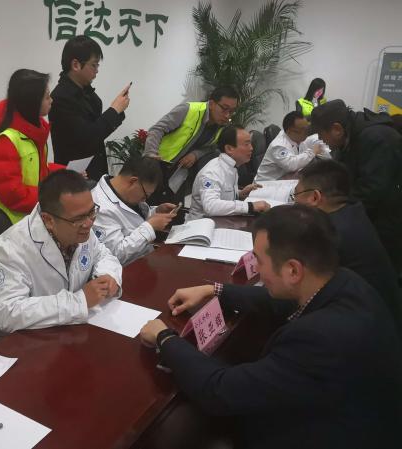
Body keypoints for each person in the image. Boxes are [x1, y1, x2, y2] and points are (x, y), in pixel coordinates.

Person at [140, 205, 402, 449]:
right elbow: (283, 301)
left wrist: (165, 337)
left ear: (293, 270)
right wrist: (215, 290)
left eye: (259, 260)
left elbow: (219, 391)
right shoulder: (344, 280)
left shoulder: (319, 339)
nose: (258, 270)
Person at [0, 170, 122, 345]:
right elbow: (8, 314)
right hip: (18, 344)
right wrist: (79, 301)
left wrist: (107, 275)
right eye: (79, 218)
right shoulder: (9, 249)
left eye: (92, 212)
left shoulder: (81, 227)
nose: (89, 223)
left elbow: (103, 254)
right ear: (48, 220)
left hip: (67, 332)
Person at [292, 159, 402, 329]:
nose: (294, 202)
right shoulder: (352, 211)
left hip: (370, 327)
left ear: (315, 197)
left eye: (296, 195)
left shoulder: (330, 235)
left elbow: (295, 287)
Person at [311, 99, 402, 272]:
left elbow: (372, 190)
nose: (321, 140)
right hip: (370, 216)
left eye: (321, 135)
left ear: (337, 129)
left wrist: (331, 207)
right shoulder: (348, 137)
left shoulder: (376, 138)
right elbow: (340, 173)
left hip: (387, 224)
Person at [0, 69, 64, 224]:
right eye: (47, 96)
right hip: (3, 224)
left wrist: (66, 174)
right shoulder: (5, 141)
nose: (51, 100)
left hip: (27, 219)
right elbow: (13, 195)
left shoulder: (33, 133)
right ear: (32, 102)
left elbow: (38, 170)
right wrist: (52, 196)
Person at [49, 35, 130, 180]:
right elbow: (88, 138)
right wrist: (114, 110)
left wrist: (117, 110)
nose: (97, 70)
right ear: (76, 65)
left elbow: (97, 131)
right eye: (94, 65)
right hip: (75, 178)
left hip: (95, 171)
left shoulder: (87, 93)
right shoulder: (61, 97)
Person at [144, 86, 239, 202]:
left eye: (232, 111)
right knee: (145, 204)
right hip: (159, 165)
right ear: (211, 104)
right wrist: (151, 155)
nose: (227, 115)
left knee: (172, 209)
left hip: (179, 174)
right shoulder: (188, 110)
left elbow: (212, 147)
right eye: (224, 109)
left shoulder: (223, 126)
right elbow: (157, 129)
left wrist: (195, 154)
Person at [91, 156, 176, 266]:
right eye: (145, 195)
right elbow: (115, 255)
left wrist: (155, 212)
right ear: (133, 181)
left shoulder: (124, 194)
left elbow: (134, 220)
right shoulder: (100, 208)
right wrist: (150, 227)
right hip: (125, 271)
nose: (144, 200)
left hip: (146, 260)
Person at [188, 125, 270, 220]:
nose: (251, 148)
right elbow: (211, 206)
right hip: (202, 225)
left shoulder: (231, 166)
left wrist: (240, 193)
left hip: (222, 220)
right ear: (229, 149)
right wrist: (250, 206)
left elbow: (221, 192)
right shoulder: (212, 172)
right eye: (246, 144)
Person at [254, 110, 328, 182]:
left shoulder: (298, 138)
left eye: (307, 128)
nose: (306, 132)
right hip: (266, 184)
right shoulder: (278, 145)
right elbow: (291, 165)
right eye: (302, 129)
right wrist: (313, 152)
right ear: (290, 131)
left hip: (283, 179)